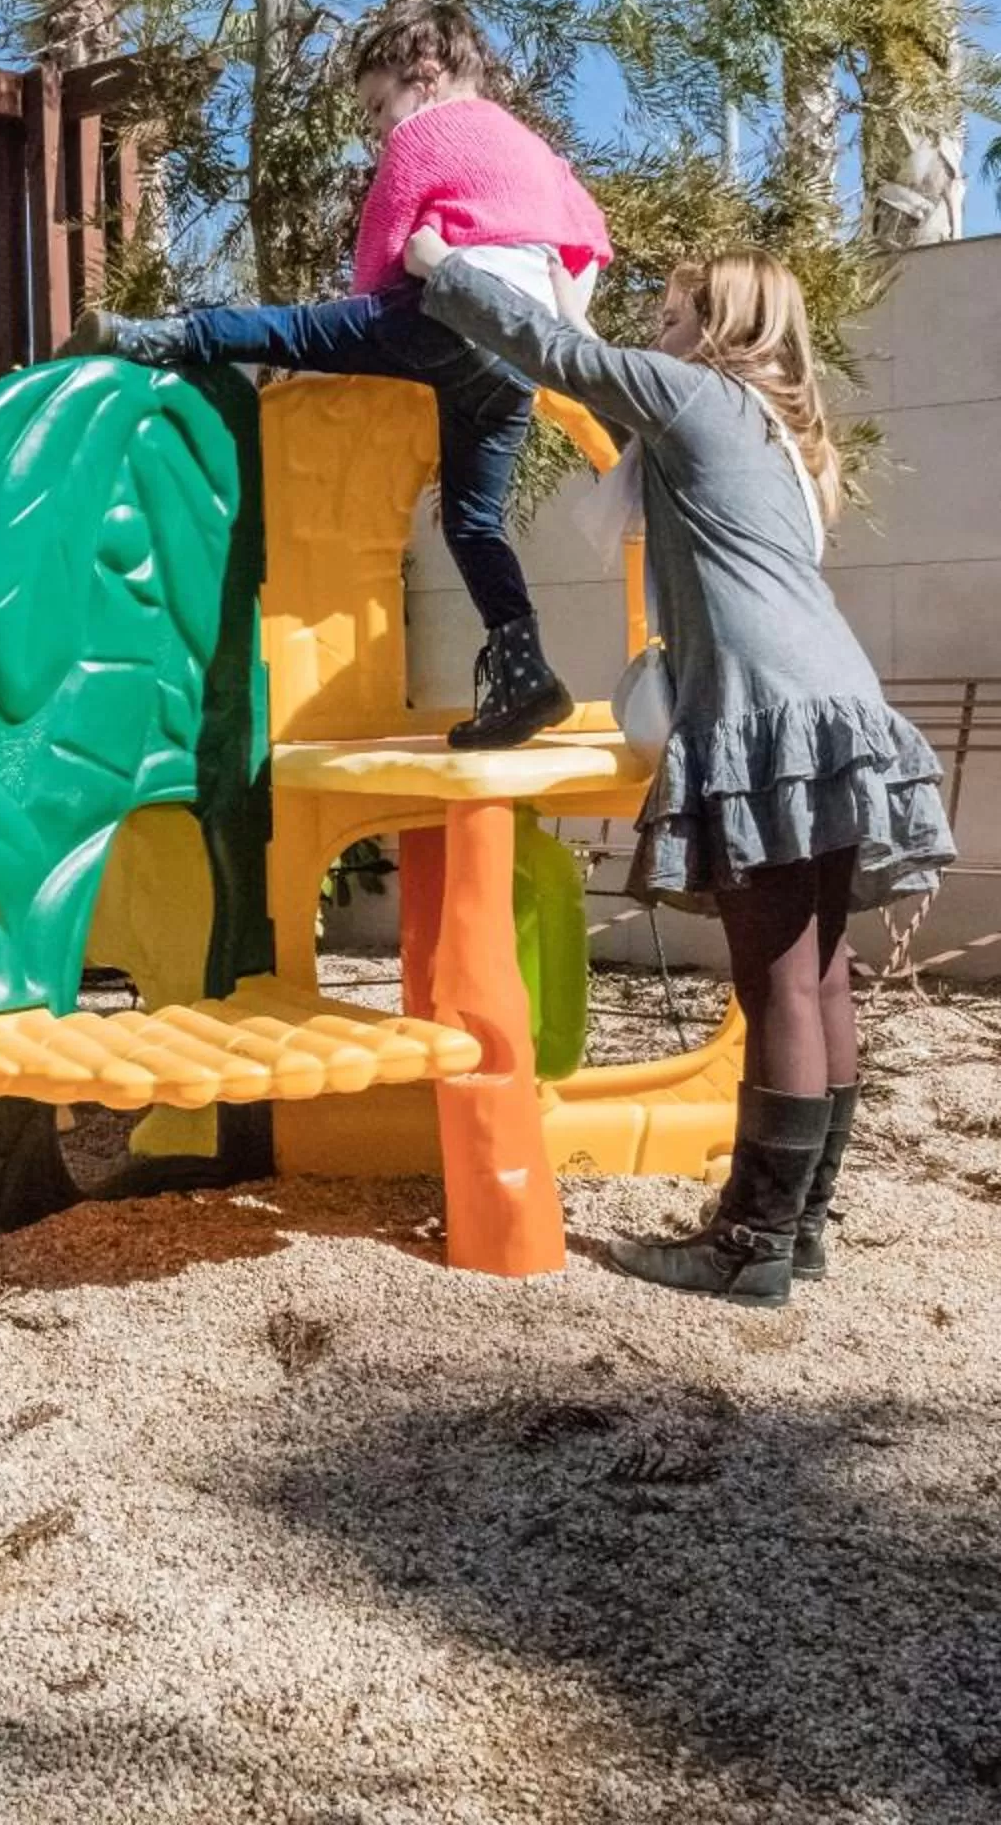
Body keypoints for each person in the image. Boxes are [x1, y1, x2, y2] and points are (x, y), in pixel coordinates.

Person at [405, 235, 955, 1307]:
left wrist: (441, 267)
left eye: (671, 312)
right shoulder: (783, 436)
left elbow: (554, 351)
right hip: (839, 703)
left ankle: (749, 1243)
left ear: (720, 325)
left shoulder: (695, 395)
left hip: (765, 713)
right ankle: (799, 1225)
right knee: (822, 971)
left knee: (780, 979)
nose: (654, 331)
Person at [65, 0, 614, 751]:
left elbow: (381, 246)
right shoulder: (536, 150)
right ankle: (526, 676)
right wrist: (567, 315)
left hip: (445, 316)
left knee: (288, 330)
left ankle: (152, 337)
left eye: (379, 105)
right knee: (474, 520)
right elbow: (590, 237)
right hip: (519, 352)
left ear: (423, 73)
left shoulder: (427, 129)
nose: (379, 125)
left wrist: (363, 322)